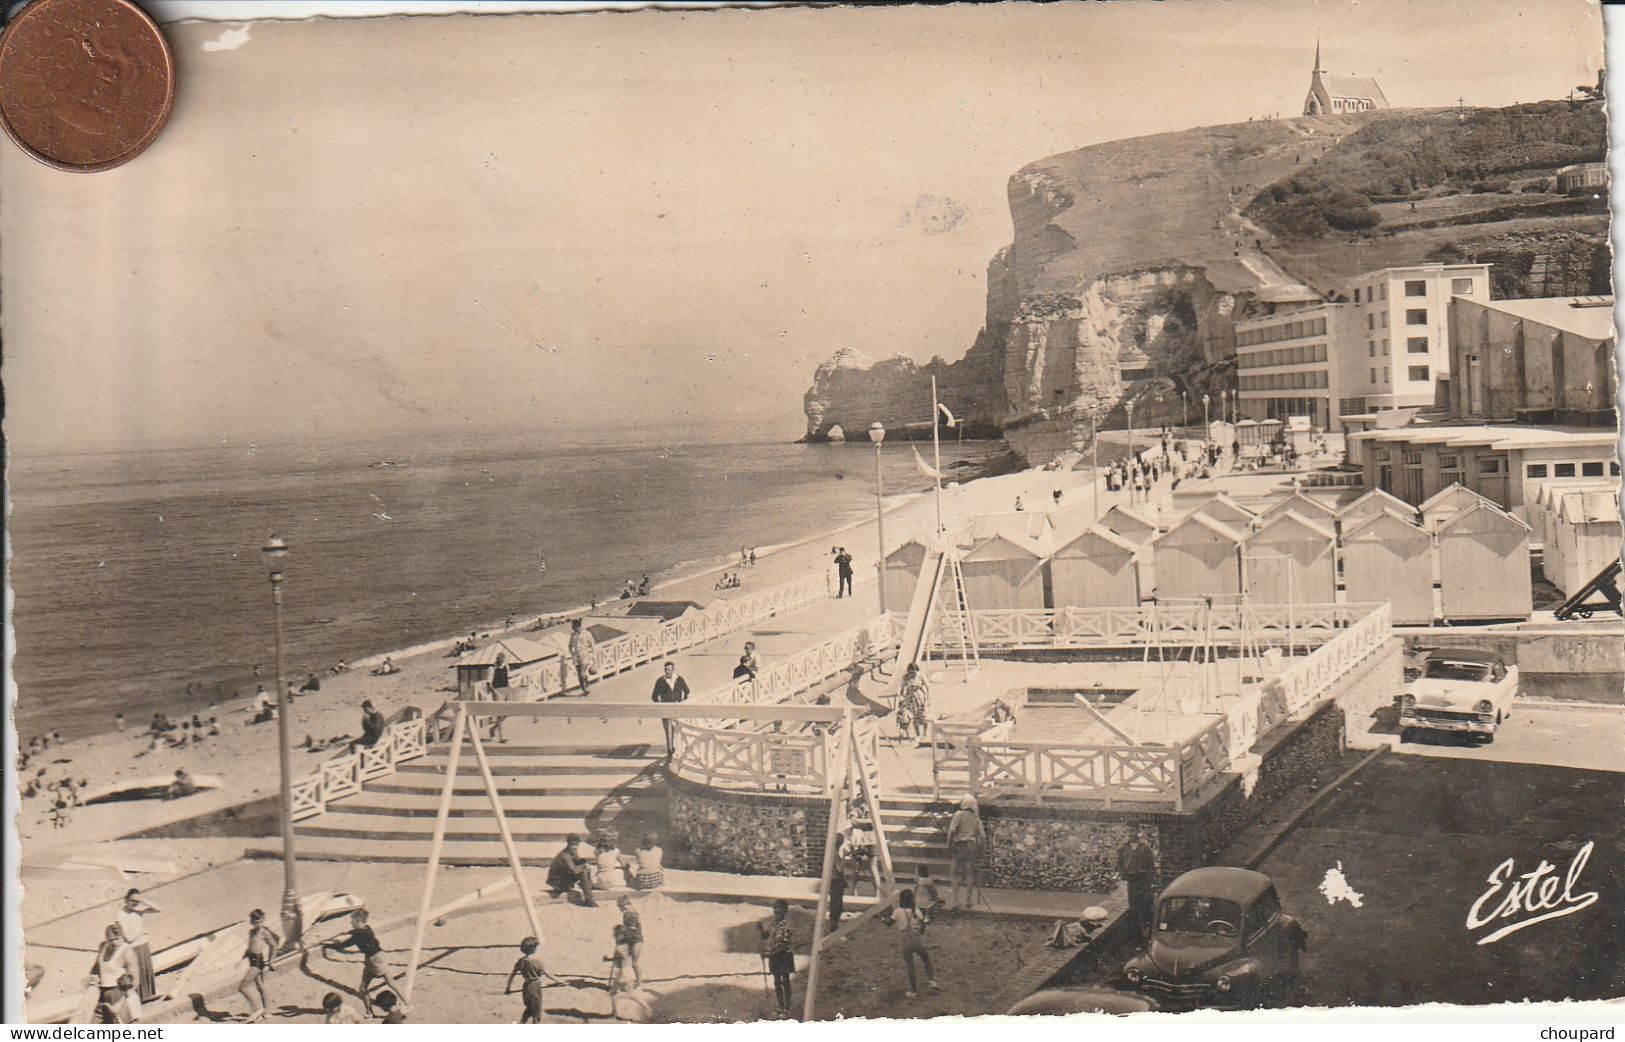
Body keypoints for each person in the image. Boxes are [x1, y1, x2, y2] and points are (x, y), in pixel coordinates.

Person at [327, 909, 403, 1017]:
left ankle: (405, 1004)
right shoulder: (367, 929)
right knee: (363, 988)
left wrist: (326, 945)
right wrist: (347, 933)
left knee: (390, 983)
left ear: (358, 921)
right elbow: (356, 932)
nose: (351, 923)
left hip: (375, 961)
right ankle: (369, 1012)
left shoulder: (358, 935)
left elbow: (342, 945)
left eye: (352, 921)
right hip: (373, 959)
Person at [504, 936, 563, 1024]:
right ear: (533, 948)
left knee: (529, 1008)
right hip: (535, 987)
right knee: (536, 1012)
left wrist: (508, 988)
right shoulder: (536, 962)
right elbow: (547, 974)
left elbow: (512, 976)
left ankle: (522, 1023)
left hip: (526, 987)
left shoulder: (520, 961)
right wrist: (558, 981)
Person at [893, 889, 940, 998]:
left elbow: (888, 922)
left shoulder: (897, 911)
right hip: (916, 938)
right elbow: (923, 925)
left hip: (905, 940)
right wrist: (920, 932)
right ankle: (931, 980)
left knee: (910, 965)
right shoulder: (916, 911)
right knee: (926, 958)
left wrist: (880, 918)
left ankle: (913, 991)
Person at [117, 890, 160, 1002]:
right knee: (136, 972)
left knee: (147, 968)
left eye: (137, 901)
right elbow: (128, 937)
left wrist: (143, 900)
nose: (134, 903)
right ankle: (138, 997)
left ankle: (149, 994)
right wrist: (142, 931)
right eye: (132, 900)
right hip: (134, 947)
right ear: (126, 900)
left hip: (144, 944)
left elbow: (158, 909)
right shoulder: (121, 915)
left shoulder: (137, 910)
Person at [238, 909, 279, 1022]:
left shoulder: (264, 932)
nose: (259, 925)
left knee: (242, 987)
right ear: (251, 921)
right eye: (256, 922)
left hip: (258, 962)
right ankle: (267, 1012)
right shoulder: (251, 932)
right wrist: (241, 960)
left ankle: (256, 1009)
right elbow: (250, 947)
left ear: (263, 920)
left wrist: (271, 961)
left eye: (261, 922)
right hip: (252, 959)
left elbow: (274, 945)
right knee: (260, 985)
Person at [945, 795, 985, 910]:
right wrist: (982, 848)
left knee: (954, 873)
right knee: (969, 873)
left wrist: (949, 844)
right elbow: (982, 835)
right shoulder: (976, 817)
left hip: (959, 845)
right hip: (971, 846)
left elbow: (952, 831)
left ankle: (956, 900)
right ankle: (968, 900)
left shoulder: (959, 814)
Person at [758, 900, 796, 1017]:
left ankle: (787, 1008)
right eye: (776, 912)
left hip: (784, 956)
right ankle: (780, 1006)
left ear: (785, 912)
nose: (778, 914)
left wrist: (769, 954)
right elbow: (765, 936)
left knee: (785, 981)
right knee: (777, 982)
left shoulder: (787, 927)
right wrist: (761, 930)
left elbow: (784, 946)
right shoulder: (773, 924)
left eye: (780, 912)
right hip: (774, 957)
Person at [1118, 832, 1158, 940]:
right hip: (1132, 880)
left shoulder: (1144, 848)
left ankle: (1150, 935)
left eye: (1133, 829)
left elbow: (1151, 865)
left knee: (1147, 907)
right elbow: (1120, 864)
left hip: (1144, 880)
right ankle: (1137, 937)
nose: (1130, 832)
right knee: (1134, 909)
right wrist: (1125, 875)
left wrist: (1149, 881)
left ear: (1137, 831)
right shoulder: (1123, 848)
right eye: (1128, 829)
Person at [650, 661, 690, 756]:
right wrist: (661, 706)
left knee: (680, 728)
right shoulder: (660, 681)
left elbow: (687, 691)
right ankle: (670, 751)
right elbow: (654, 696)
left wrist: (683, 702)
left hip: (677, 708)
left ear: (673, 669)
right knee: (668, 731)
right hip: (666, 708)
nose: (666, 671)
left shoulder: (679, 679)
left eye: (668, 669)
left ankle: (683, 748)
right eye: (665, 669)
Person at [546, 834, 596, 906]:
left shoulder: (572, 852)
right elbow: (573, 869)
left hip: (564, 878)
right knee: (583, 872)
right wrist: (584, 866)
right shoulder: (565, 855)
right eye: (572, 845)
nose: (575, 847)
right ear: (568, 844)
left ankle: (586, 887)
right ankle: (588, 899)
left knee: (585, 867)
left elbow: (577, 862)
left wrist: (585, 865)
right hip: (558, 884)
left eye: (576, 845)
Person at [896, 663, 930, 744]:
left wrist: (927, 699)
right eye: (910, 672)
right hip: (910, 699)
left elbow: (928, 687)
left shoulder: (920, 676)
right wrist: (901, 696)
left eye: (913, 672)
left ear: (916, 671)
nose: (912, 674)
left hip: (920, 698)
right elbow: (902, 687)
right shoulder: (905, 677)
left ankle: (925, 732)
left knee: (923, 717)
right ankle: (918, 734)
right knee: (914, 718)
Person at [617, 895, 644, 989]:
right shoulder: (626, 913)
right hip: (629, 940)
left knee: (634, 963)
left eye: (624, 908)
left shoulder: (633, 914)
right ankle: (626, 982)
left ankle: (640, 984)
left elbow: (631, 928)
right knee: (623, 960)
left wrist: (621, 931)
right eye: (621, 909)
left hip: (636, 941)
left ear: (629, 904)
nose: (623, 911)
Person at [568, 619, 596, 696]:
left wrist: (593, 658)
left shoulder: (587, 634)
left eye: (573, 626)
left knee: (582, 673)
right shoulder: (573, 635)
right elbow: (570, 646)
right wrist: (572, 653)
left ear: (577, 626)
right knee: (579, 675)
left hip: (585, 655)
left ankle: (586, 686)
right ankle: (584, 690)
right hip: (576, 656)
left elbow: (592, 645)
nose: (572, 627)